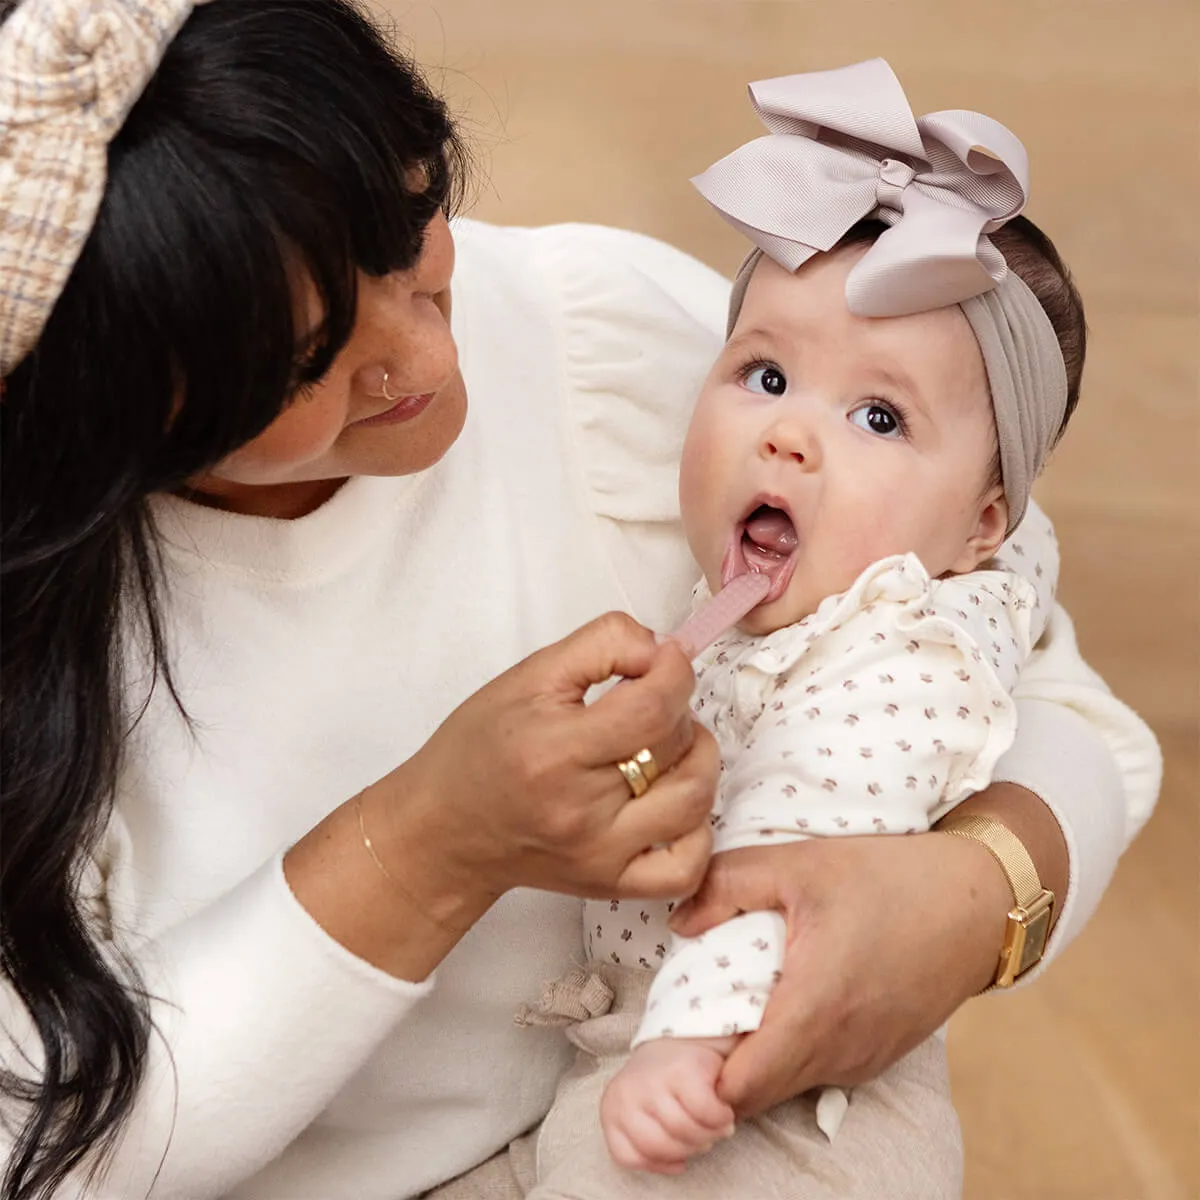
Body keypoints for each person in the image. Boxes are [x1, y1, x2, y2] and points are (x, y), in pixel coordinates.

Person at [0, 5, 1160, 1200]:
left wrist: (971, 902)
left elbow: (1054, 697)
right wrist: (429, 848)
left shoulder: (597, 333)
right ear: (108, 401)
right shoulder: (53, 639)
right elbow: (43, 1149)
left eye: (408, 229)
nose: (429, 360)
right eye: (306, 364)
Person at [510, 61, 1097, 1196]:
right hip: (668, 1048)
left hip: (790, 1094)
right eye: (765, 373)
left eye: (878, 415)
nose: (789, 438)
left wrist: (693, 1038)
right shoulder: (766, 610)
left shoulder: (903, 650)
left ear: (980, 528)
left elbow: (804, 827)